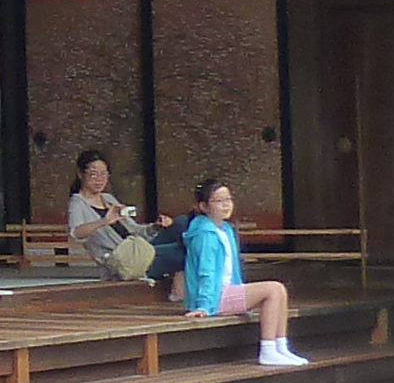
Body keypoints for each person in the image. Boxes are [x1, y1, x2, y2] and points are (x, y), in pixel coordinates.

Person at [181, 179, 307, 366]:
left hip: (226, 291)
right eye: (218, 201)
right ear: (204, 206)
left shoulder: (226, 229)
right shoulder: (204, 233)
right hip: (213, 297)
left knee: (279, 290)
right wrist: (204, 306)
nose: (226, 205)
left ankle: (281, 347)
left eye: (228, 199)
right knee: (273, 289)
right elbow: (205, 272)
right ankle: (268, 350)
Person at [65, 149, 183, 293]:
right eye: (93, 174)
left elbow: (136, 230)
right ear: (80, 174)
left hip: (139, 247)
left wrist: (155, 227)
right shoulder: (78, 202)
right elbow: (75, 233)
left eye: (104, 174)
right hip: (123, 260)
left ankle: (183, 285)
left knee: (181, 224)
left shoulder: (108, 199)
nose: (99, 179)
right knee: (182, 250)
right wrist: (104, 221)